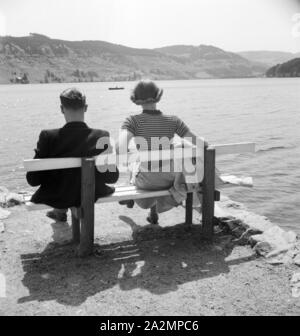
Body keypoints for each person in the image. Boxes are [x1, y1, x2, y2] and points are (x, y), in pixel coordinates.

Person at [116, 80, 204, 224]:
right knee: (165, 157)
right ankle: (152, 212)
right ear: (158, 96)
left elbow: (120, 148)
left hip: (147, 182)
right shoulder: (173, 120)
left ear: (136, 99)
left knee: (136, 162)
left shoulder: (133, 121)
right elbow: (200, 144)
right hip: (171, 179)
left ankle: (131, 197)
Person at [26, 88, 119, 222]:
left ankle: (59, 212)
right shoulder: (101, 136)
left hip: (57, 196)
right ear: (85, 108)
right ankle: (60, 212)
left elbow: (33, 180)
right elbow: (111, 177)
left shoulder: (48, 137)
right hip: (92, 194)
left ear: (62, 109)